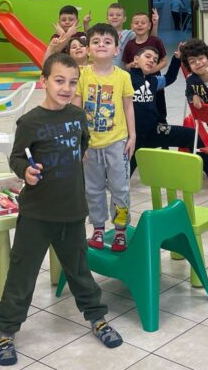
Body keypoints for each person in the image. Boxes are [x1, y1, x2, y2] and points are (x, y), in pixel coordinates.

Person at [0, 53, 124, 366]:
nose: (66, 88)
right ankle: (6, 331)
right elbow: (16, 157)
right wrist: (25, 171)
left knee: (79, 270)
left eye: (72, 82)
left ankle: (97, 317)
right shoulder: (30, 121)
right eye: (59, 80)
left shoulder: (77, 116)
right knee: (22, 274)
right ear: (44, 81)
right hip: (36, 213)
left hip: (72, 210)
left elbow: (83, 142)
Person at [128, 46, 208, 194]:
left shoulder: (154, 81)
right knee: (119, 180)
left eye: (155, 60)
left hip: (154, 131)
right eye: (147, 57)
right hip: (132, 137)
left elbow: (169, 78)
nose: (151, 61)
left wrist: (177, 58)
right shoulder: (124, 78)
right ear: (136, 59)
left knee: (192, 135)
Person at [75, 23, 135, 252]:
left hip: (117, 142)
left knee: (120, 188)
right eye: (96, 41)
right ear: (88, 49)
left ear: (116, 49)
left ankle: (120, 231)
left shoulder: (123, 77)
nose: (101, 45)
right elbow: (76, 108)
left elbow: (128, 107)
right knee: (93, 189)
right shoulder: (82, 75)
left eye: (107, 42)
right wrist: (80, 140)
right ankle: (98, 228)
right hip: (90, 145)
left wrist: (132, 136)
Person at [122, 10, 169, 120]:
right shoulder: (129, 45)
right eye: (136, 23)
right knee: (141, 109)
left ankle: (162, 125)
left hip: (155, 81)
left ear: (149, 26)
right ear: (131, 26)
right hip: (137, 84)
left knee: (160, 108)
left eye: (143, 23)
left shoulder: (156, 41)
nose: (139, 25)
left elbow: (164, 61)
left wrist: (152, 70)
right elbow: (126, 66)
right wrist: (132, 64)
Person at [105, 3, 135, 68]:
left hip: (123, 71)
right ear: (107, 19)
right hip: (105, 71)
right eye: (111, 15)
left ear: (124, 19)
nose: (114, 17)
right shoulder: (103, 35)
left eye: (118, 15)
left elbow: (147, 40)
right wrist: (86, 25)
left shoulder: (129, 34)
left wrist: (155, 25)